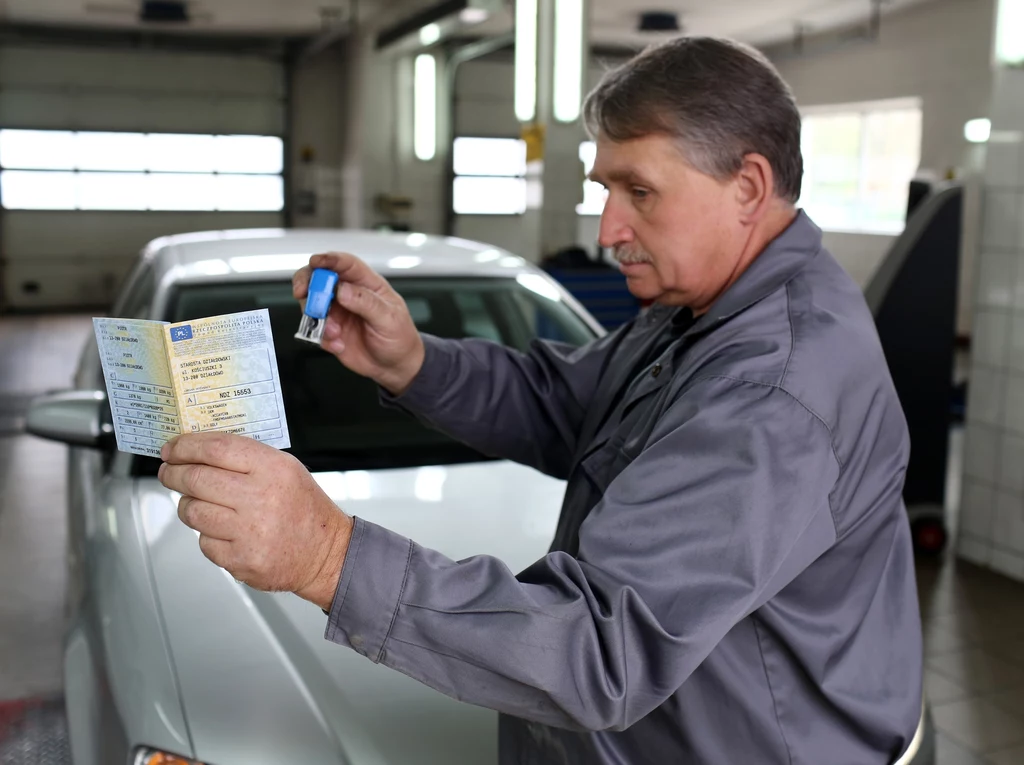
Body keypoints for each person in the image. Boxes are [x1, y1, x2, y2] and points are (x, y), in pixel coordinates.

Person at [157, 36, 924, 764]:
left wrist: (327, 553)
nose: (607, 229)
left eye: (640, 192)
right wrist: (413, 361)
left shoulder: (773, 390)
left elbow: (599, 644)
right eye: (606, 191)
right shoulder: (705, 311)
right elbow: (566, 402)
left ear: (748, 187)